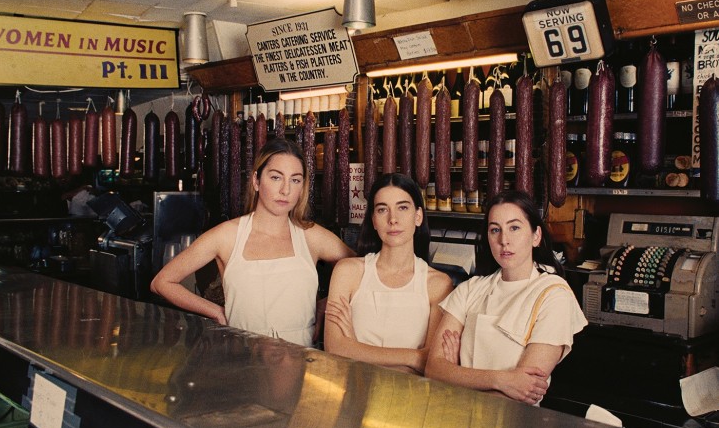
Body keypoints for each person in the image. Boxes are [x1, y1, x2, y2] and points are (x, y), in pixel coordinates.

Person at [150, 139, 354, 347]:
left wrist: (324, 305)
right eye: (276, 177)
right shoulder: (226, 236)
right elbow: (162, 282)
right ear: (256, 181)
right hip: (242, 358)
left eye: (295, 180)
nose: (285, 190)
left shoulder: (312, 237)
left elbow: (365, 273)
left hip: (301, 360)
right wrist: (217, 312)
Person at [424, 190, 587, 405]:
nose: (504, 240)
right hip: (457, 419)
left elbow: (524, 391)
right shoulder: (470, 289)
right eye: (495, 230)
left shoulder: (554, 295)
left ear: (536, 236)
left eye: (515, 228)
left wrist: (458, 376)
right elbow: (434, 369)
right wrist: (501, 379)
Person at [324, 173, 453, 374]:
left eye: (402, 208)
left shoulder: (438, 283)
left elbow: (431, 364)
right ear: (374, 221)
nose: (393, 219)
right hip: (354, 393)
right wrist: (414, 356)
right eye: (382, 209)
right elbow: (335, 347)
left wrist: (354, 347)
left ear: (418, 216)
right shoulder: (347, 271)